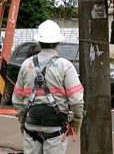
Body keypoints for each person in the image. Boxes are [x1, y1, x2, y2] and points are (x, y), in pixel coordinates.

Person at [12, 20, 84, 154]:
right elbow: (76, 100)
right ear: (58, 43)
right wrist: (77, 119)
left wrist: (23, 119)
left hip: (31, 125)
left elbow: (16, 99)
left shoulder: (26, 65)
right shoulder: (65, 66)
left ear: (39, 42)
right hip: (55, 128)